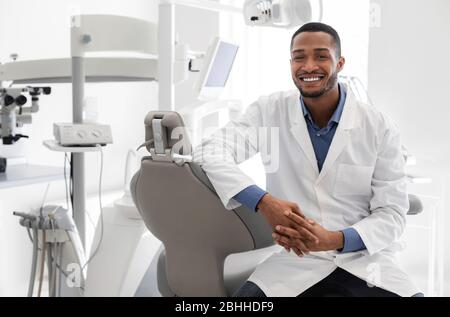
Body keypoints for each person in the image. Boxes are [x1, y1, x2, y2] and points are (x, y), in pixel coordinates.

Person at [194, 22, 422, 297]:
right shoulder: (270, 111)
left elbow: (392, 213)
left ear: (340, 62)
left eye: (321, 56)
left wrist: (334, 240)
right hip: (295, 262)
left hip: (364, 261)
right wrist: (264, 202)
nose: (309, 66)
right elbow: (210, 151)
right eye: (299, 57)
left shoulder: (377, 126)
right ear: (291, 63)